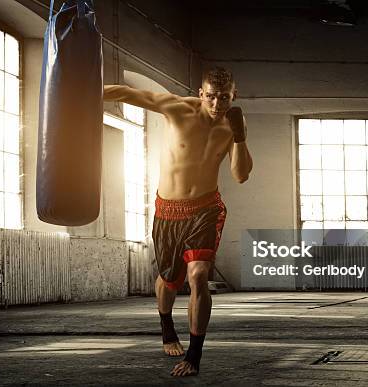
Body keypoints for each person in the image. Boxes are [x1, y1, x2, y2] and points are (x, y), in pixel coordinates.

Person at [103, 66, 253, 376]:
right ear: (201, 94)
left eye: (224, 98)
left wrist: (239, 138)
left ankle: (195, 355)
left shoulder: (232, 125)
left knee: (198, 274)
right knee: (169, 281)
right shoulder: (177, 108)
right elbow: (131, 93)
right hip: (168, 210)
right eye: (210, 97)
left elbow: (240, 175)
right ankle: (167, 326)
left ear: (233, 96)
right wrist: (80, 94)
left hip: (206, 208)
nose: (216, 105)